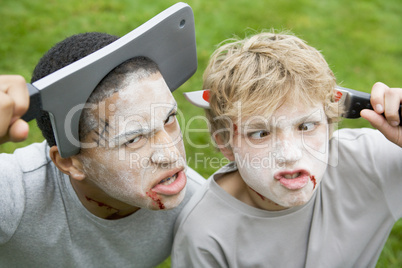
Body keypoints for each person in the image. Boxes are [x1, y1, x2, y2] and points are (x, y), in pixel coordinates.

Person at [172, 31, 402, 267]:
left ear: (330, 123)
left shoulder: (372, 163)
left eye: (307, 125)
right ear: (225, 143)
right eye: (260, 133)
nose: (290, 155)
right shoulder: (204, 234)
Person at [0, 32, 204, 267]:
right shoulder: (16, 195)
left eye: (169, 118)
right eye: (133, 139)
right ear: (70, 163)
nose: (171, 155)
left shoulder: (195, 207)